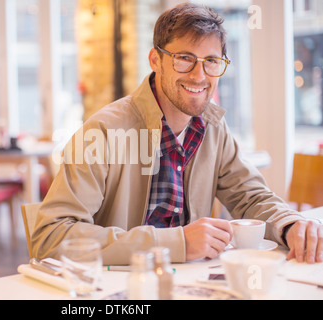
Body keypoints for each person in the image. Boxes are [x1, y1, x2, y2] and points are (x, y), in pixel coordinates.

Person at [31, 3, 323, 265]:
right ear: (155, 60)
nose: (199, 75)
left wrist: (289, 224)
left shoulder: (213, 127)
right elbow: (51, 236)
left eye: (211, 61)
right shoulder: (103, 132)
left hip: (192, 284)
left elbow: (249, 197)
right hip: (120, 290)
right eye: (184, 58)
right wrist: (178, 243)